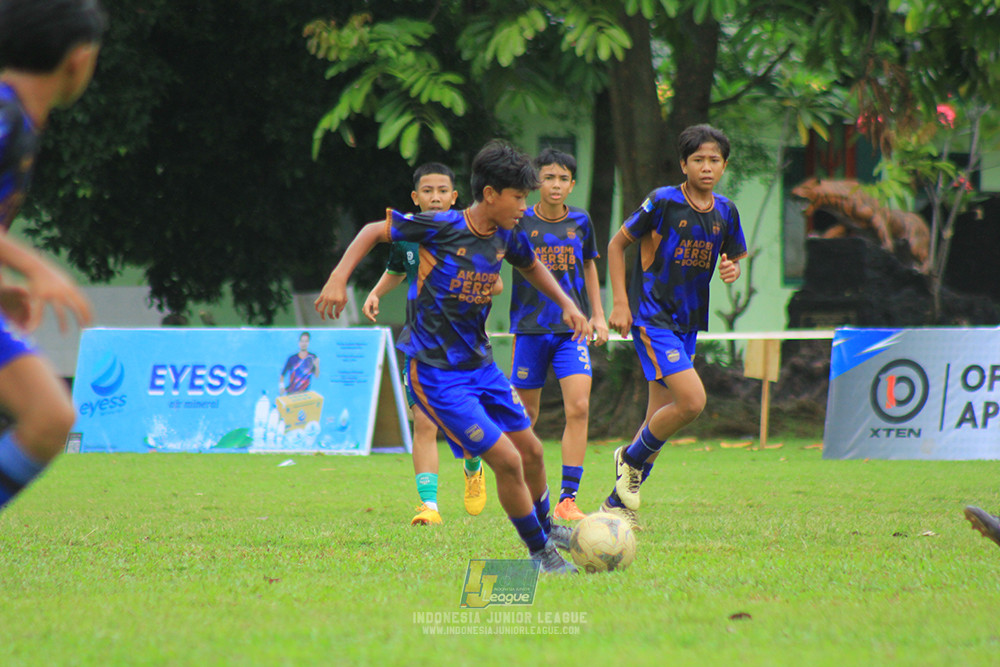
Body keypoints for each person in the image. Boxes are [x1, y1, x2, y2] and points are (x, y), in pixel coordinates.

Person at [315, 140, 592, 573]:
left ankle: (547, 526)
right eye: (519, 197)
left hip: (481, 367)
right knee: (507, 460)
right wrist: (337, 278)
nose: (526, 205)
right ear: (490, 195)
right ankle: (540, 553)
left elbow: (531, 265)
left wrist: (569, 305)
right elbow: (373, 231)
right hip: (436, 375)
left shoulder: (508, 233)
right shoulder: (440, 226)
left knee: (533, 452)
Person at [600, 124, 747, 530]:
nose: (706, 166)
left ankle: (616, 506)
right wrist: (620, 303)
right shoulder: (662, 201)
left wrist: (731, 267)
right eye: (697, 159)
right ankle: (628, 459)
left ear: (724, 165)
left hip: (688, 324)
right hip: (653, 318)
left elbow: (731, 257)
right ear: (684, 164)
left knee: (657, 419)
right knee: (691, 402)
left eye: (713, 160)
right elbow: (617, 244)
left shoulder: (726, 210)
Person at [0, 0, 104, 510]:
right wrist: (35, 266)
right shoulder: (3, 113)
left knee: (50, 418)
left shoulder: (20, 120)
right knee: (48, 417)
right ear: (79, 59)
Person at [361, 162, 498, 526]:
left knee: (466, 423)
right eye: (427, 191)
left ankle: (473, 466)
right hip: (421, 346)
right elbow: (397, 268)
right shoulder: (406, 234)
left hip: (467, 348)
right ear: (415, 197)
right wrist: (375, 293)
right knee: (424, 422)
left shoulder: (472, 234)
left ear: (454, 197)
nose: (435, 197)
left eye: (442, 191)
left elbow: (496, 284)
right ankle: (429, 507)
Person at [508, 148, 608, 522]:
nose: (555, 185)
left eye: (563, 178)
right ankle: (514, 485)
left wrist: (597, 315)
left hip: (572, 332)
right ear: (537, 182)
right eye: (548, 177)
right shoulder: (520, 222)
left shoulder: (581, 222)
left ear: (573, 184)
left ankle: (568, 498)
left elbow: (589, 268)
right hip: (530, 330)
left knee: (579, 407)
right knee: (524, 414)